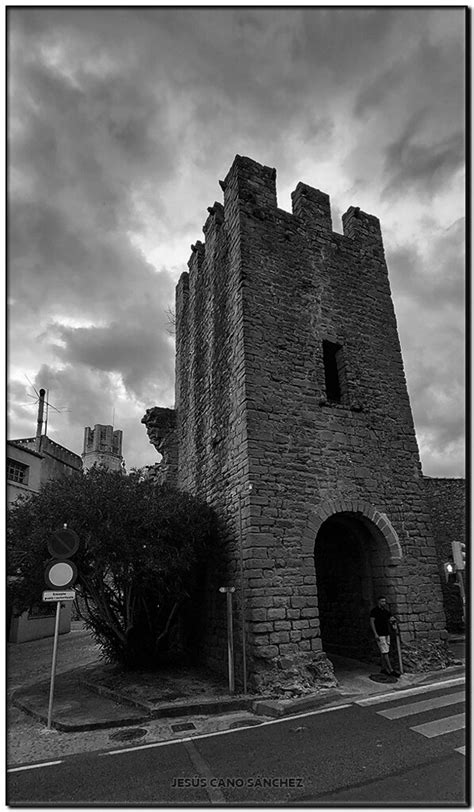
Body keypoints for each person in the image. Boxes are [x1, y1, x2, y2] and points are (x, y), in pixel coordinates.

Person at [370, 596, 400, 678]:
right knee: (385, 652)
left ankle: (383, 668)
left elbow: (391, 619)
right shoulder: (374, 611)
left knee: (384, 652)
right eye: (382, 601)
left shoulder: (386, 612)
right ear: (378, 602)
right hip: (380, 634)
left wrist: (393, 623)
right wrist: (375, 633)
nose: (384, 603)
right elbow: (372, 622)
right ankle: (391, 670)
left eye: (385, 601)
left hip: (387, 634)